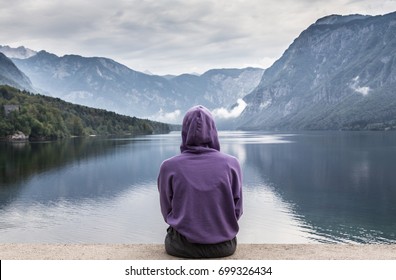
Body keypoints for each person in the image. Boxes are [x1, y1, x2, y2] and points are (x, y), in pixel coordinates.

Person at [157, 105, 243, 258]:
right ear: (213, 131)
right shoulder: (232, 164)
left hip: (181, 246)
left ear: (185, 131)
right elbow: (237, 210)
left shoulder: (169, 166)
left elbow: (167, 212)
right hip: (224, 246)